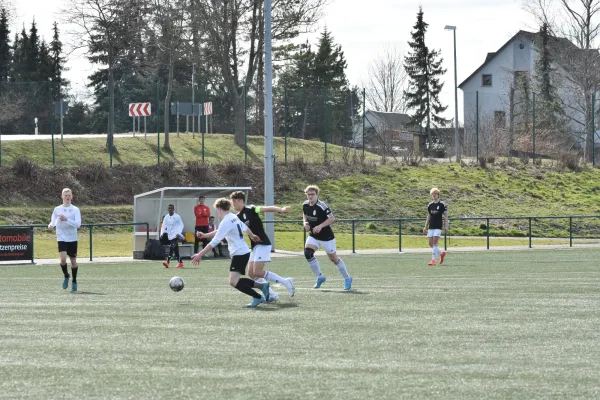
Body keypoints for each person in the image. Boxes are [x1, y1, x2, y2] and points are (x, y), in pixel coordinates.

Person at [192, 198, 270, 308]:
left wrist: (199, 255)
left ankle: (258, 296)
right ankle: (262, 286)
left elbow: (215, 241)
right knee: (234, 280)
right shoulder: (233, 217)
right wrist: (252, 236)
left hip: (239, 253)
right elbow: (244, 227)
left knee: (233, 282)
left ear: (219, 209)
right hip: (243, 252)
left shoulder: (226, 221)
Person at [230, 191, 295, 302]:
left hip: (263, 243)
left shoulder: (252, 209)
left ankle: (285, 281)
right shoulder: (237, 217)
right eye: (232, 202)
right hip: (255, 246)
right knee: (251, 274)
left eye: (234, 202)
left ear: (241, 201)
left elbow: (267, 208)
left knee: (258, 272)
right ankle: (272, 294)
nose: (233, 205)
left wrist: (281, 210)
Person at [302, 185, 353, 291]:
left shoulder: (322, 205)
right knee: (308, 253)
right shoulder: (305, 204)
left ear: (317, 195)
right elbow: (305, 214)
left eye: (312, 194)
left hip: (326, 237)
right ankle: (320, 277)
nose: (310, 196)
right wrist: (305, 223)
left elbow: (332, 218)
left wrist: (320, 226)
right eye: (308, 194)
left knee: (333, 259)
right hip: (313, 235)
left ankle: (347, 278)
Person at [48, 188, 82, 292]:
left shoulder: (75, 209)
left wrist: (66, 219)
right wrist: (50, 225)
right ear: (62, 197)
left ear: (72, 197)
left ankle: (74, 281)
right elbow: (53, 221)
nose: (67, 197)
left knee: (73, 261)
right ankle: (66, 275)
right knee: (63, 260)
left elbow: (78, 224)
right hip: (61, 237)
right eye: (65, 195)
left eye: (69, 195)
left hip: (72, 238)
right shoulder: (57, 209)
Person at [422, 187, 448, 266]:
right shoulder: (430, 205)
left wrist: (446, 226)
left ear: (438, 195)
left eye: (435, 194)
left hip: (438, 226)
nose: (434, 196)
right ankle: (441, 253)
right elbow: (429, 216)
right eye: (432, 194)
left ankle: (433, 260)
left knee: (435, 243)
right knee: (430, 244)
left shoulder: (442, 204)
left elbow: (446, 216)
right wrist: (425, 227)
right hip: (431, 226)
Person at [160, 204, 185, 269]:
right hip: (170, 235)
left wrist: (179, 233)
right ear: (167, 209)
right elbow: (163, 225)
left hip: (176, 235)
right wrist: (162, 233)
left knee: (171, 248)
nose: (170, 209)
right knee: (175, 250)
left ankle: (167, 262)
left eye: (171, 208)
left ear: (173, 209)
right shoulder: (166, 217)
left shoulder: (177, 216)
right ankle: (181, 263)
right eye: (169, 208)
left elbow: (181, 225)